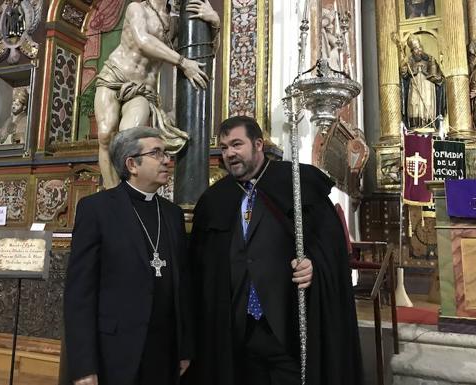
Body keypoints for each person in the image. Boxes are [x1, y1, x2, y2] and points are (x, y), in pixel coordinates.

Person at [187, 116, 363, 385]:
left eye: (236, 144)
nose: (229, 153)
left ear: (258, 144)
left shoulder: (298, 183)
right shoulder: (214, 200)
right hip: (235, 328)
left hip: (288, 323)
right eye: (224, 148)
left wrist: (314, 265)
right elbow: (201, 267)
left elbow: (331, 247)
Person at [64, 127, 193, 385]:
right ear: (132, 164)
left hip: (164, 352)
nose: (167, 160)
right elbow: (80, 293)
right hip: (115, 352)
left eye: (166, 153)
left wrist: (185, 348)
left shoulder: (171, 214)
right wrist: (83, 366)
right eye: (157, 153)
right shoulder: (97, 210)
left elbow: (183, 287)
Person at [94, 0, 220, 188]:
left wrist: (215, 23)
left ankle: (126, 193)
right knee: (105, 135)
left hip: (143, 89)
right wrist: (183, 63)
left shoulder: (175, 22)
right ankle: (112, 194)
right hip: (115, 75)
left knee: (128, 138)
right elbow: (143, 40)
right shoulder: (136, 8)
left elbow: (205, 51)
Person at [400, 38, 446, 130]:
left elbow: (436, 74)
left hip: (427, 85)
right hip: (414, 85)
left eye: (420, 48)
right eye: (416, 49)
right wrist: (404, 69)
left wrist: (432, 73)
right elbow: (404, 75)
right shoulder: (409, 61)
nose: (419, 50)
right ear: (412, 51)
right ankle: (415, 124)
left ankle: (429, 123)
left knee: (428, 103)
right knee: (414, 102)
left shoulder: (430, 59)